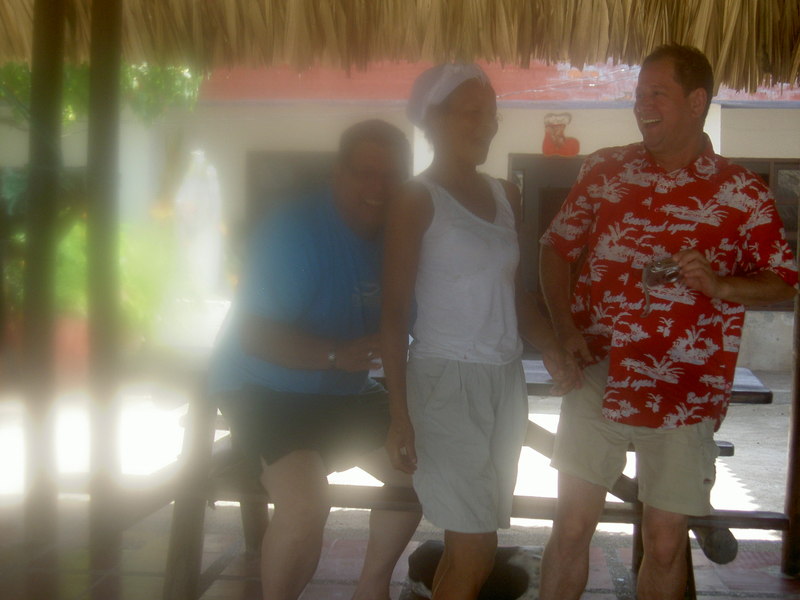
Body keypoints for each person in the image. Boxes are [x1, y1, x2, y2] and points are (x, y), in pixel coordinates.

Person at [538, 44, 798, 600]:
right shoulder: (605, 169)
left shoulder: (741, 192)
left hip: (685, 389)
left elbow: (783, 280)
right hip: (597, 373)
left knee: (663, 543)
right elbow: (555, 248)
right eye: (638, 94)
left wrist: (722, 285)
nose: (642, 105)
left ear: (697, 101)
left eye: (658, 94)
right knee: (570, 528)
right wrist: (563, 329)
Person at [381, 63, 578, 600]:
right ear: (434, 120)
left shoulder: (505, 195)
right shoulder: (416, 199)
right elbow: (394, 313)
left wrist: (552, 349)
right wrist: (399, 414)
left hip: (503, 380)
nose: (487, 126)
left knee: (477, 545)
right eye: (472, 113)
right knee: (472, 549)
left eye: (491, 115)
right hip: (445, 382)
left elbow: (517, 297)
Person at [207, 119, 421, 600]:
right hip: (262, 389)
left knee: (422, 474)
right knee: (306, 505)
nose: (378, 188)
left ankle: (371, 589)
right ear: (337, 175)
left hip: (343, 392)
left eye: (391, 176)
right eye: (365, 173)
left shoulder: (400, 236)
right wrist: (335, 354)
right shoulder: (294, 230)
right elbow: (254, 335)